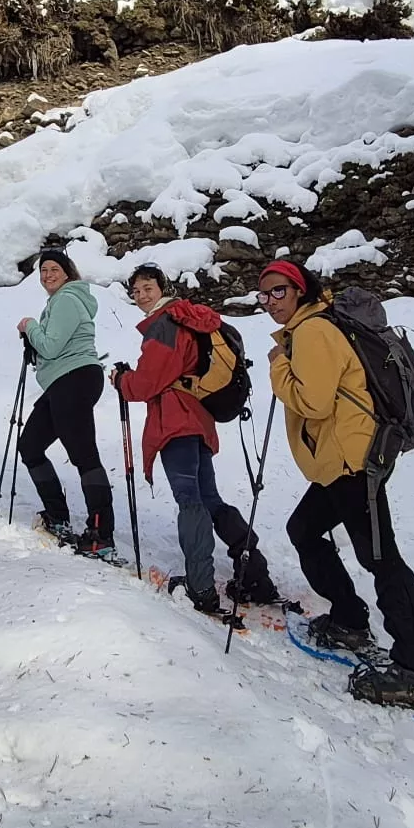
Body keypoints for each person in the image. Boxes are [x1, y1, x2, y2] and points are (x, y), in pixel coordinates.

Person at [260, 257, 414, 708]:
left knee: (382, 559)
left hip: (356, 464)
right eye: (264, 294)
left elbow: (314, 403)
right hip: (338, 464)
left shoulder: (315, 331)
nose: (270, 302)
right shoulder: (310, 328)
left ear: (300, 290)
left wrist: (278, 367)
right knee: (304, 530)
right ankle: (349, 620)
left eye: (279, 291)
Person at [110, 263, 278, 616]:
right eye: (136, 291)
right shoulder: (190, 318)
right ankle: (255, 575)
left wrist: (123, 381)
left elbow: (147, 383)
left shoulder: (163, 325)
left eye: (147, 288)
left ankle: (200, 587)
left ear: (162, 288)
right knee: (210, 499)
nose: (141, 295)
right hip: (198, 420)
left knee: (191, 501)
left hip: (175, 422)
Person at [16, 249, 114, 555]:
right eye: (43, 270)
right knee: (30, 445)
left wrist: (29, 327)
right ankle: (58, 517)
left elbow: (52, 346)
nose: (47, 275)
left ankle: (100, 534)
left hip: (74, 378)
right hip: (65, 381)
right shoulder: (62, 301)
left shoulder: (67, 299)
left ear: (67, 271)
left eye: (53, 268)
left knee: (83, 454)